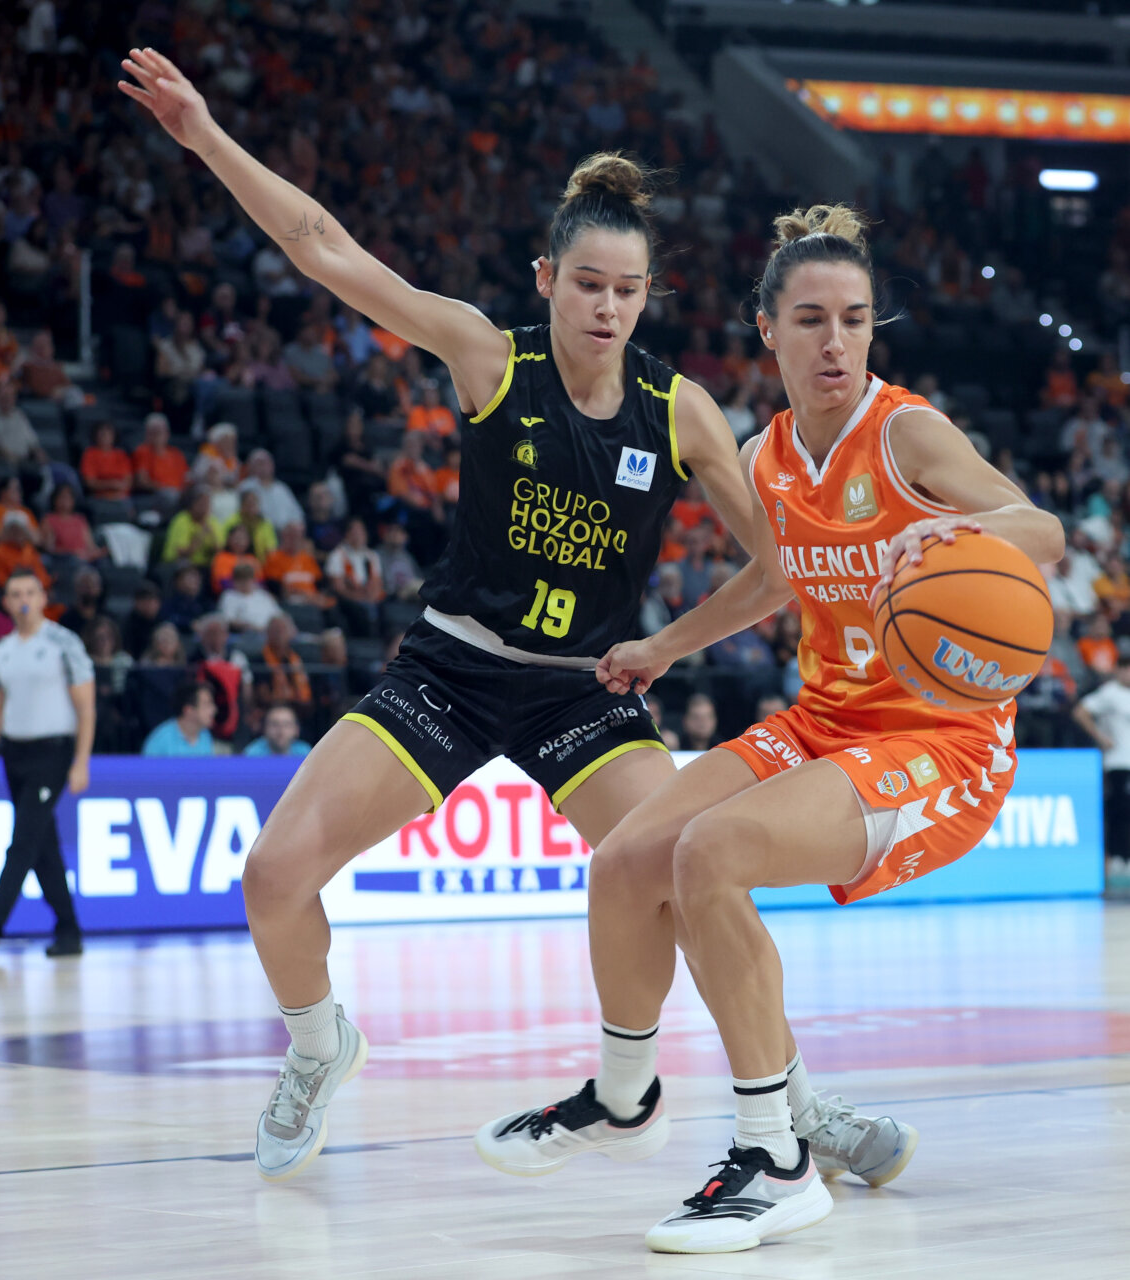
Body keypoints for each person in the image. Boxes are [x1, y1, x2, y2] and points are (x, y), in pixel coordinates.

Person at [117, 51, 875, 1191]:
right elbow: (326, 249)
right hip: (454, 671)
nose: (607, 308)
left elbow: (778, 571)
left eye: (627, 291)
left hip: (586, 692)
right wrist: (207, 138)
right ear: (546, 279)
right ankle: (319, 1047)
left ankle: (798, 1108)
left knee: (690, 871)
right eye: (587, 285)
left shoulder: (680, 411)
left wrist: (666, 646)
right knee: (272, 874)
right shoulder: (487, 356)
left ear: (647, 296)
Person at [481, 206, 1065, 1253]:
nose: (836, 341)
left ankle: (776, 1158)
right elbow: (773, 581)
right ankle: (623, 1093)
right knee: (627, 858)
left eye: (854, 319)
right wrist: (665, 647)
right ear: (768, 330)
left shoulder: (906, 432)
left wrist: (948, 532)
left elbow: (1044, 528)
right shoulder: (766, 455)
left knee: (713, 851)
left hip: (944, 745)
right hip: (825, 719)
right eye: (810, 319)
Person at [0, 568, 95, 958]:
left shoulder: (63, 642)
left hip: (52, 752)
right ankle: (69, 931)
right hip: (15, 753)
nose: (23, 599)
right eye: (15, 593)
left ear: (42, 598)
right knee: (43, 845)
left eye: (30, 592)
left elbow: (86, 705)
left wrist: (81, 761)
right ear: (6, 602)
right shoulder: (4, 649)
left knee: (24, 840)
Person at [1072, 639, 1130, 868]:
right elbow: (1080, 711)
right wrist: (1100, 737)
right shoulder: (1110, 693)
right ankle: (1117, 857)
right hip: (1117, 761)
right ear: (1118, 670)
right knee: (1119, 810)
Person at [141, 679, 217, 756]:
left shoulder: (205, 735)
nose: (214, 710)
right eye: (207, 705)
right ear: (188, 710)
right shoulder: (159, 742)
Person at [244, 703, 312, 758]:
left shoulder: (305, 753)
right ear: (264, 729)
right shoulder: (252, 754)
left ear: (297, 729)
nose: (281, 731)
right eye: (274, 724)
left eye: (286, 725)